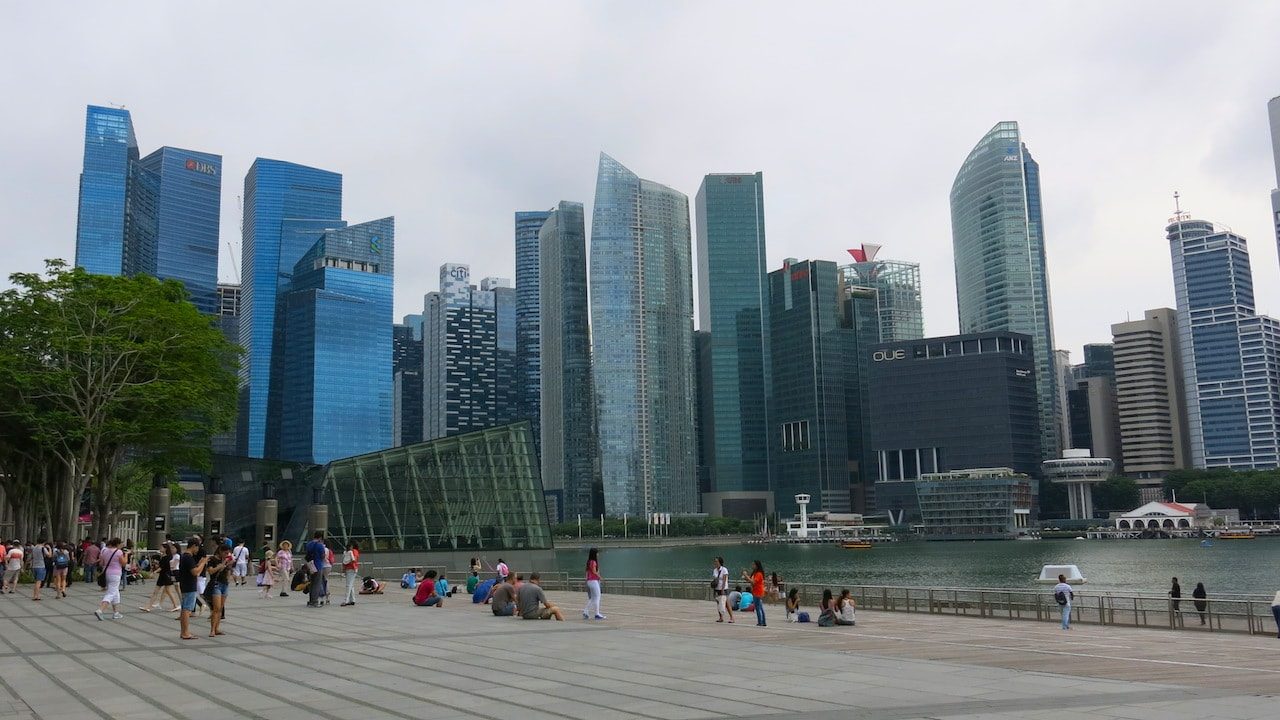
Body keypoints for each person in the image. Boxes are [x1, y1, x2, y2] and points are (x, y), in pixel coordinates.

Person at [177, 538, 209, 640]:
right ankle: (185, 633)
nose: (198, 550)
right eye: (197, 547)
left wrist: (199, 564)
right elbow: (195, 572)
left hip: (185, 584)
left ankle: (184, 632)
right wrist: (203, 563)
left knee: (185, 609)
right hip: (189, 585)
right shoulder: (188, 557)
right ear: (194, 546)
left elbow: (193, 569)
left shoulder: (184, 556)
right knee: (187, 610)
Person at [94, 538, 127, 621]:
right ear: (118, 544)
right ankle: (100, 610)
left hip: (107, 572)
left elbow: (101, 563)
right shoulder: (119, 552)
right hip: (116, 573)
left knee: (115, 591)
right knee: (111, 593)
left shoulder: (105, 551)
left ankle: (116, 612)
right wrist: (126, 555)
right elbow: (123, 563)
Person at [140, 543, 178, 612]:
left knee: (167, 591)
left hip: (166, 576)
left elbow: (162, 567)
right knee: (159, 591)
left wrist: (154, 573)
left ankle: (175, 605)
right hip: (164, 575)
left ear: (165, 549)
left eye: (162, 547)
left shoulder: (167, 557)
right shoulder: (164, 556)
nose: (160, 549)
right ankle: (148, 606)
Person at [206, 545, 233, 636]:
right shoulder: (212, 559)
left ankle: (217, 628)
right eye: (225, 553)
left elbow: (228, 570)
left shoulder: (225, 560)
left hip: (224, 584)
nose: (226, 555)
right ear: (220, 551)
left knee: (220, 608)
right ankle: (212, 630)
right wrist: (221, 565)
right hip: (216, 584)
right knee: (216, 608)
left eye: (228, 553)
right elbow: (210, 571)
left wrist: (228, 565)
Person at [304, 532, 327, 608]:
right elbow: (323, 556)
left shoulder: (309, 544)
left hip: (310, 565)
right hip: (318, 566)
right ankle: (315, 601)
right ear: (320, 537)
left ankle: (311, 601)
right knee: (317, 584)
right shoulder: (320, 545)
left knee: (311, 583)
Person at [582, 547, 605, 621]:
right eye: (597, 553)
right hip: (593, 581)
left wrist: (586, 580)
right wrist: (600, 577)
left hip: (589, 581)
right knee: (597, 596)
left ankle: (586, 611)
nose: (598, 554)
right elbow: (594, 571)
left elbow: (587, 572)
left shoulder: (589, 562)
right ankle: (597, 614)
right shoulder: (593, 562)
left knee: (593, 598)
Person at [745, 560, 767, 626]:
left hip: (758, 592)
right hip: (756, 591)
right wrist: (746, 577)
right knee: (760, 607)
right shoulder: (755, 573)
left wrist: (746, 575)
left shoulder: (759, 574)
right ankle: (763, 621)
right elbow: (751, 581)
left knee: (758, 607)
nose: (752, 566)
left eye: (754, 565)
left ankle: (760, 622)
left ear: (757, 566)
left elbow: (753, 582)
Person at [340, 541, 361, 607]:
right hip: (353, 569)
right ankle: (352, 600)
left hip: (350, 569)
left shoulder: (352, 551)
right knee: (351, 585)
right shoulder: (355, 551)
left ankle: (346, 600)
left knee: (348, 585)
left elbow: (352, 560)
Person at [712, 557, 732, 623]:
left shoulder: (724, 569)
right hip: (717, 588)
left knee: (726, 603)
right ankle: (721, 617)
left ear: (720, 562)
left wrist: (723, 589)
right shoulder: (715, 570)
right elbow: (715, 580)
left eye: (716, 561)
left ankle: (731, 617)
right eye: (715, 561)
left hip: (724, 588)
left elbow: (724, 580)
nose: (715, 563)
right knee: (718, 602)